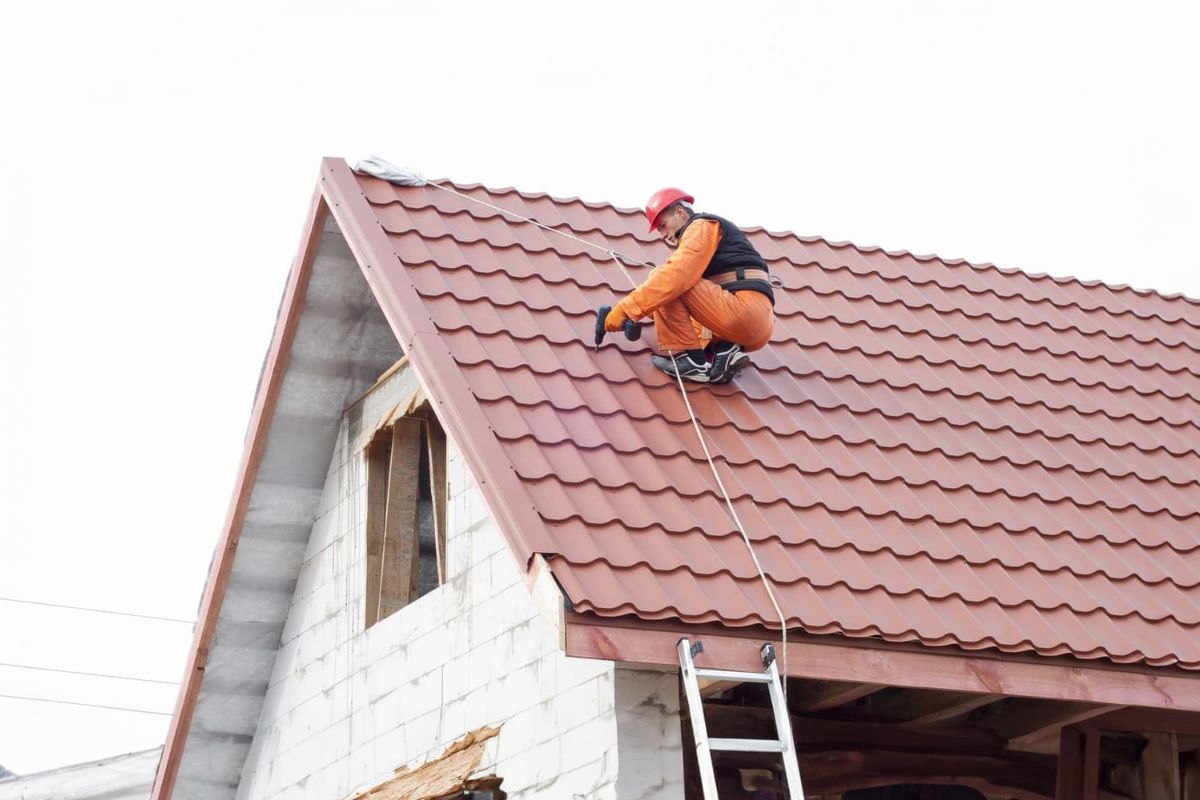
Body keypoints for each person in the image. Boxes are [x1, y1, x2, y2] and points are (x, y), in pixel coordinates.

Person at [601, 188, 775, 383]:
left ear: (680, 213)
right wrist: (641, 314)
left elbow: (676, 277)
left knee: (666, 279)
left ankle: (692, 360)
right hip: (756, 325)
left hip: (741, 312)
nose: (663, 234)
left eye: (663, 225)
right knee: (667, 288)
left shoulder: (700, 225)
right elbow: (681, 301)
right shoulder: (712, 237)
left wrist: (626, 310)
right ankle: (724, 351)